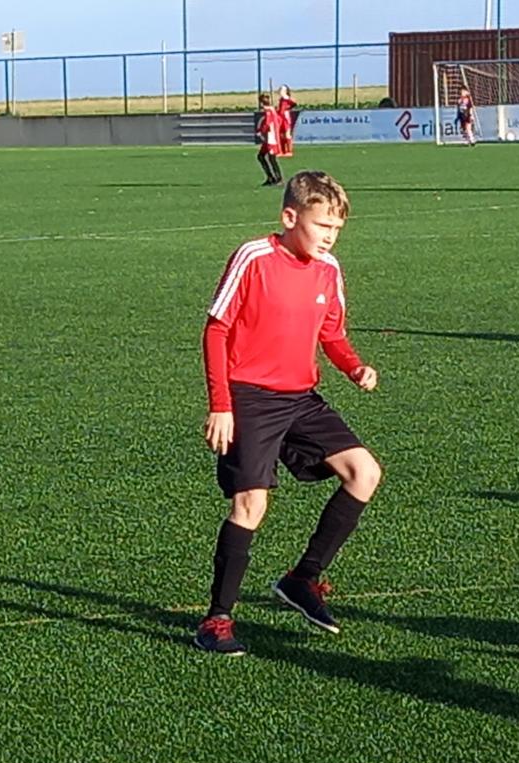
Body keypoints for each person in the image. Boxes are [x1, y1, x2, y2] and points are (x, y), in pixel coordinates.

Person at [195, 171, 382, 656]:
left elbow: (332, 334)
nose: (330, 237)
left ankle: (303, 579)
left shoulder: (329, 269)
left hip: (300, 398)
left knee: (364, 472)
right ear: (290, 217)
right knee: (251, 505)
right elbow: (216, 330)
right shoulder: (253, 257)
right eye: (322, 225)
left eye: (337, 228)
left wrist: (354, 367)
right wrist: (221, 405)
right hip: (250, 398)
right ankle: (217, 619)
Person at [255, 93, 283, 186]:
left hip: (271, 138)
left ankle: (278, 178)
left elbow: (267, 124)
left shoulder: (268, 111)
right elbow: (278, 121)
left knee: (271, 158)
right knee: (261, 156)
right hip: (269, 137)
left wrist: (261, 131)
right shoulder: (272, 110)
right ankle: (271, 177)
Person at [277, 85, 297, 158]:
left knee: (287, 134)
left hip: (285, 117)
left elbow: (294, 103)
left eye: (281, 89)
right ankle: (282, 151)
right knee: (281, 135)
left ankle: (289, 151)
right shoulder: (281, 99)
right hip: (280, 117)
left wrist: (288, 108)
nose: (280, 91)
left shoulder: (287, 98)